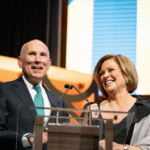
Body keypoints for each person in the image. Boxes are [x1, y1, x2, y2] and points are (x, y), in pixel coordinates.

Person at [0, 39, 68, 150]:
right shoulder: (4, 91)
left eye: (42, 55)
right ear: (20, 61)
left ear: (48, 64)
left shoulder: (59, 102)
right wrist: (29, 139)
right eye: (32, 54)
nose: (38, 60)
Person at [81, 54, 150, 150]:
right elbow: (79, 145)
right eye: (101, 73)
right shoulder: (91, 109)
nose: (105, 75)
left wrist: (123, 148)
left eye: (111, 70)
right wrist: (84, 123)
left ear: (127, 75)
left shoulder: (146, 108)